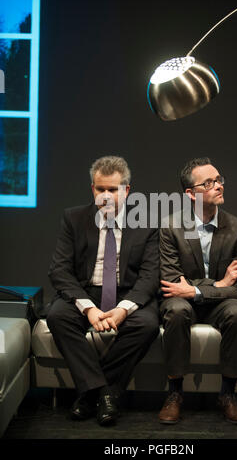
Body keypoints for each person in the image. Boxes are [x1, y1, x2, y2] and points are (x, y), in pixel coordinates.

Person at [47, 156, 160, 426]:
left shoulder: (147, 223)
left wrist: (122, 310)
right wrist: (89, 308)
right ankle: (105, 394)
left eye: (113, 189)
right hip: (87, 292)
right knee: (57, 316)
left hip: (126, 295)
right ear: (92, 189)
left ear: (127, 190)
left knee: (147, 325)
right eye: (101, 189)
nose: (106, 195)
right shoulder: (74, 218)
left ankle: (91, 394)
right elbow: (59, 271)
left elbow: (150, 276)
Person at [158, 157, 237, 425]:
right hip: (183, 302)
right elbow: (172, 283)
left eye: (218, 180)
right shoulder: (172, 227)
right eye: (209, 182)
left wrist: (197, 291)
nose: (218, 186)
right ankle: (175, 394)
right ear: (191, 194)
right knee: (177, 309)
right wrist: (219, 284)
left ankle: (228, 394)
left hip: (220, 304)